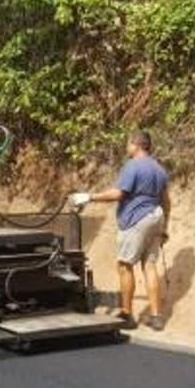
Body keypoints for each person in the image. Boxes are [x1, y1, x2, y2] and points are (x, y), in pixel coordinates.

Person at [69, 131, 170, 331]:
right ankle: (157, 316)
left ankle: (126, 314)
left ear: (136, 145)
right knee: (150, 266)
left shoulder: (132, 166)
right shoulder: (159, 169)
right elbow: (166, 201)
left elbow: (118, 193)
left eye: (128, 143)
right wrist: (165, 227)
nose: (126, 147)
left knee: (125, 265)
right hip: (156, 217)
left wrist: (88, 197)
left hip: (136, 220)